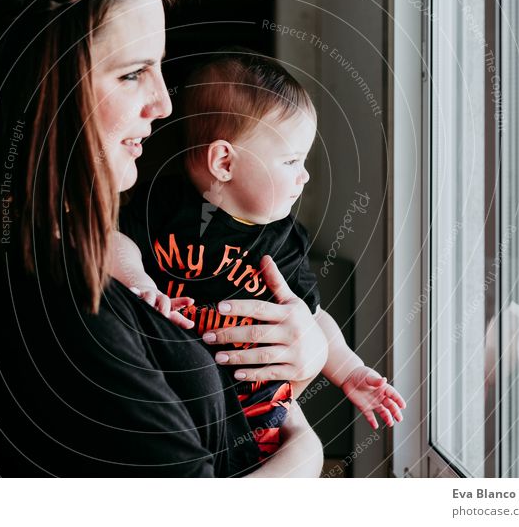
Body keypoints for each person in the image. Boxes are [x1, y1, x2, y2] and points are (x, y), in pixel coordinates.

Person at [0, 0, 327, 477]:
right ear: (39, 87)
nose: (163, 103)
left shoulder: (27, 249)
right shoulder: (44, 297)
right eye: (132, 73)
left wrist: (309, 351)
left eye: (158, 69)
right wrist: (304, 457)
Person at [114, 50, 406, 459]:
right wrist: (140, 284)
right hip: (170, 403)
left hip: (253, 421)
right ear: (223, 162)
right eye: (290, 161)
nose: (303, 175)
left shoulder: (283, 242)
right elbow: (113, 239)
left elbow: (312, 316)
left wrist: (349, 370)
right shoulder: (161, 205)